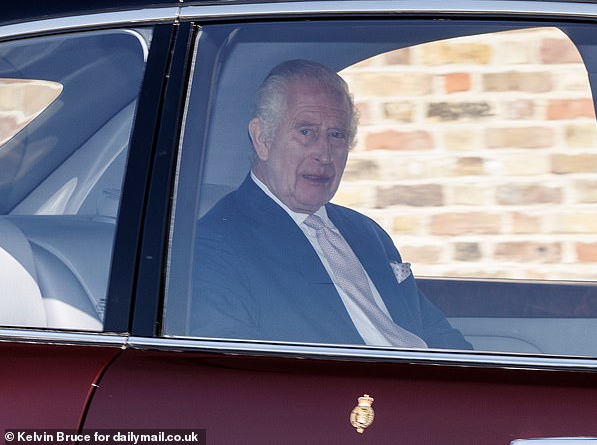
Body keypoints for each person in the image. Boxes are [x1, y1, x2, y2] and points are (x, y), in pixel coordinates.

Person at [191, 59, 471, 350]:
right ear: (262, 139)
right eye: (306, 132)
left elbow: (438, 334)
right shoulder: (217, 244)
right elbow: (233, 373)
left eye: (336, 135)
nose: (324, 154)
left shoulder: (366, 232)